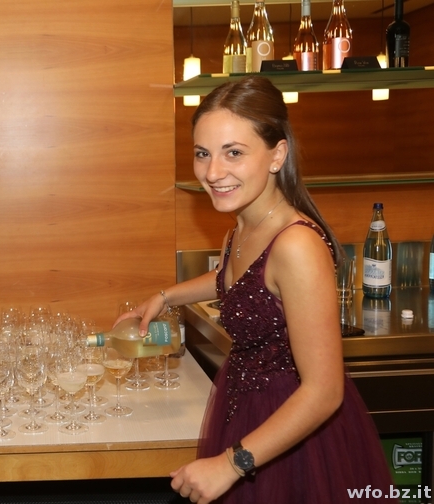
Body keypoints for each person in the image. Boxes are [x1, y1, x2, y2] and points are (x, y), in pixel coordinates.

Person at [116, 76, 395, 504]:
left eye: (234, 153)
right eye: (203, 153)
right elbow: (237, 279)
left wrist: (231, 464)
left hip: (291, 433)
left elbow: (324, 391)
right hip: (246, 411)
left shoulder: (297, 245)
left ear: (277, 155)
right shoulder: (242, 227)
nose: (213, 172)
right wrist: (165, 296)